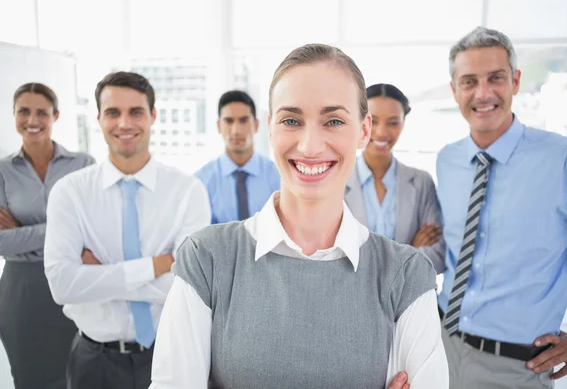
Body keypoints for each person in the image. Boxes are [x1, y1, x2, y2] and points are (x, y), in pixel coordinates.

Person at [150, 44, 448, 389]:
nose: (309, 145)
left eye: (333, 121)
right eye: (292, 120)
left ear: (363, 131)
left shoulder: (406, 276)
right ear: (271, 129)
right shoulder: (207, 260)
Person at [436, 26, 567, 388]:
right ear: (454, 90)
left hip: (516, 369)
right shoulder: (447, 161)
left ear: (515, 81)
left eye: (495, 78)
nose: (483, 93)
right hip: (439, 349)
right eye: (468, 81)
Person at [44, 71, 211, 389]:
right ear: (98, 118)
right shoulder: (70, 192)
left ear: (153, 116)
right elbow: (62, 285)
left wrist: (101, 277)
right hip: (95, 362)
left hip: (170, 354)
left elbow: (191, 287)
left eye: (135, 112)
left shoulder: (188, 191)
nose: (124, 123)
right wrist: (155, 266)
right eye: (113, 113)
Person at [0, 83, 94, 389]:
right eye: (23, 111)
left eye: (41, 112)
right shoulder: (2, 171)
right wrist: (65, 229)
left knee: (80, 377)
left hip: (74, 281)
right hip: (22, 290)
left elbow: (93, 230)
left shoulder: (83, 165)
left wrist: (22, 233)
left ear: (55, 116)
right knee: (28, 379)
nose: (32, 120)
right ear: (13, 115)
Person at [345, 83, 445, 273]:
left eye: (393, 122)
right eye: (373, 121)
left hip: (410, 301)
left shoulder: (421, 182)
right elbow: (333, 260)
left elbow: (437, 257)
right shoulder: (337, 181)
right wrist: (410, 252)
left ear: (403, 123)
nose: (382, 132)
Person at [195, 90, 280, 223]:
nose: (236, 130)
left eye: (243, 120)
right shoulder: (201, 181)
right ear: (218, 126)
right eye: (229, 121)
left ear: (256, 125)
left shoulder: (278, 176)